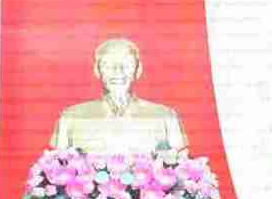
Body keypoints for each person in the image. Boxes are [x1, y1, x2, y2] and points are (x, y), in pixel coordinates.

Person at [49, 37, 187, 154]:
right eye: (108, 65)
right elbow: (56, 167)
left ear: (138, 70)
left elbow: (180, 167)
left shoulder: (165, 116)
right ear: (97, 70)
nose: (118, 71)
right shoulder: (71, 117)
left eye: (127, 64)